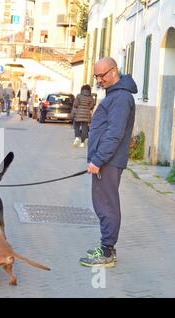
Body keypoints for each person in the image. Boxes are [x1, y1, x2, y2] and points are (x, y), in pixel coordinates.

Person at [79, 57, 137, 268]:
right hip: (106, 161)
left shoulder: (121, 98)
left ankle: (107, 251)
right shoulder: (115, 95)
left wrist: (98, 159)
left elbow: (114, 133)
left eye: (102, 75)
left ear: (114, 71)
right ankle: (107, 247)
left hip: (108, 162)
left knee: (107, 204)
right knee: (103, 203)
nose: (99, 80)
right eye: (96, 76)